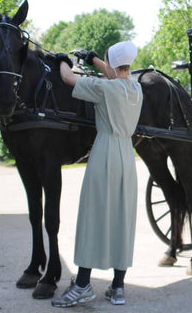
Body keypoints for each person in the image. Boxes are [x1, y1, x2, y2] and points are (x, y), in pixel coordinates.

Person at [52, 41, 143, 308]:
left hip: (105, 152)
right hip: (127, 154)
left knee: (92, 216)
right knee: (122, 218)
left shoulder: (104, 89)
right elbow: (114, 72)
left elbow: (68, 78)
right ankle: (117, 287)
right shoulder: (136, 88)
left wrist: (62, 60)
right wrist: (93, 58)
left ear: (112, 65)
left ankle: (82, 285)